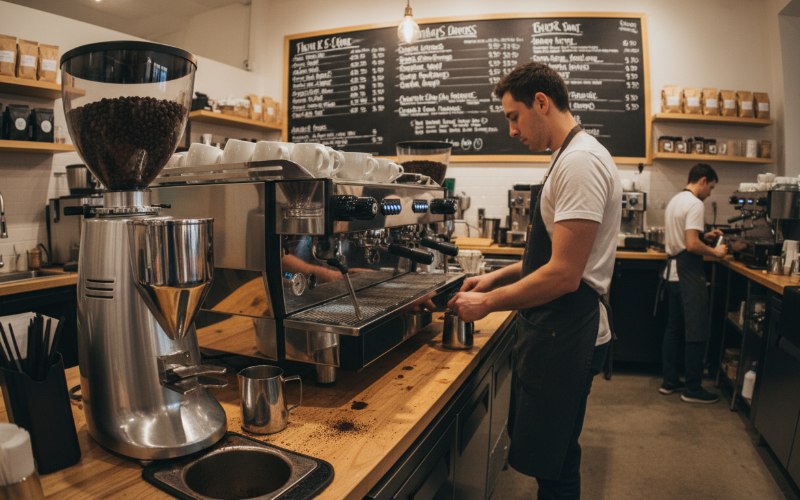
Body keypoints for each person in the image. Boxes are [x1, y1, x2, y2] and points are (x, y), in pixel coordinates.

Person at [446, 62, 621, 499]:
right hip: (558, 327)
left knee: (556, 466)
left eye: (513, 116)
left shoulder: (580, 163)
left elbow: (563, 275)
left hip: (569, 330)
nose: (511, 130)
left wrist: (488, 303)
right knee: (554, 456)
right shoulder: (566, 157)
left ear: (541, 102)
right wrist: (490, 280)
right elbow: (546, 260)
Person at [660, 163, 727, 403]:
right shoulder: (696, 204)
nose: (710, 193)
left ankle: (669, 382)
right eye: (711, 187)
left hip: (672, 273)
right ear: (702, 180)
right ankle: (693, 388)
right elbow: (691, 245)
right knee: (697, 329)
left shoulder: (676, 200)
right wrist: (715, 251)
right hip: (688, 272)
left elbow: (685, 237)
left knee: (673, 328)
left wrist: (703, 235)